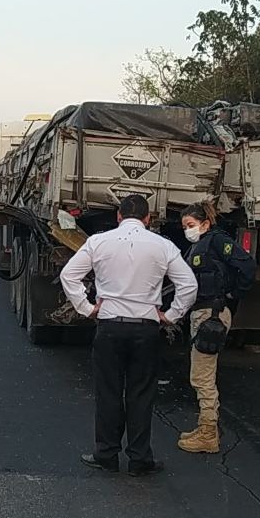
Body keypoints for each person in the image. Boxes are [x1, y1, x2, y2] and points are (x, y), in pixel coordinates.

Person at [60, 195, 198, 477]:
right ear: (148, 219)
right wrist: (171, 315)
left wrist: (86, 308)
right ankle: (139, 459)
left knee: (108, 392)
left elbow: (69, 275)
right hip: (145, 329)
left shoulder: (99, 242)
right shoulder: (163, 246)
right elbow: (189, 285)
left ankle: (106, 454)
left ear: (119, 217)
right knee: (141, 394)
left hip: (109, 326)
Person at [177, 202, 256, 454]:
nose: (187, 230)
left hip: (211, 314)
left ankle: (208, 432)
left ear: (205, 223)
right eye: (184, 226)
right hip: (203, 311)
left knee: (202, 375)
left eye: (190, 225)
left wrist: (234, 295)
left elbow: (246, 265)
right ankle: (205, 426)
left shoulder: (217, 241)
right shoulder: (199, 245)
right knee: (201, 372)